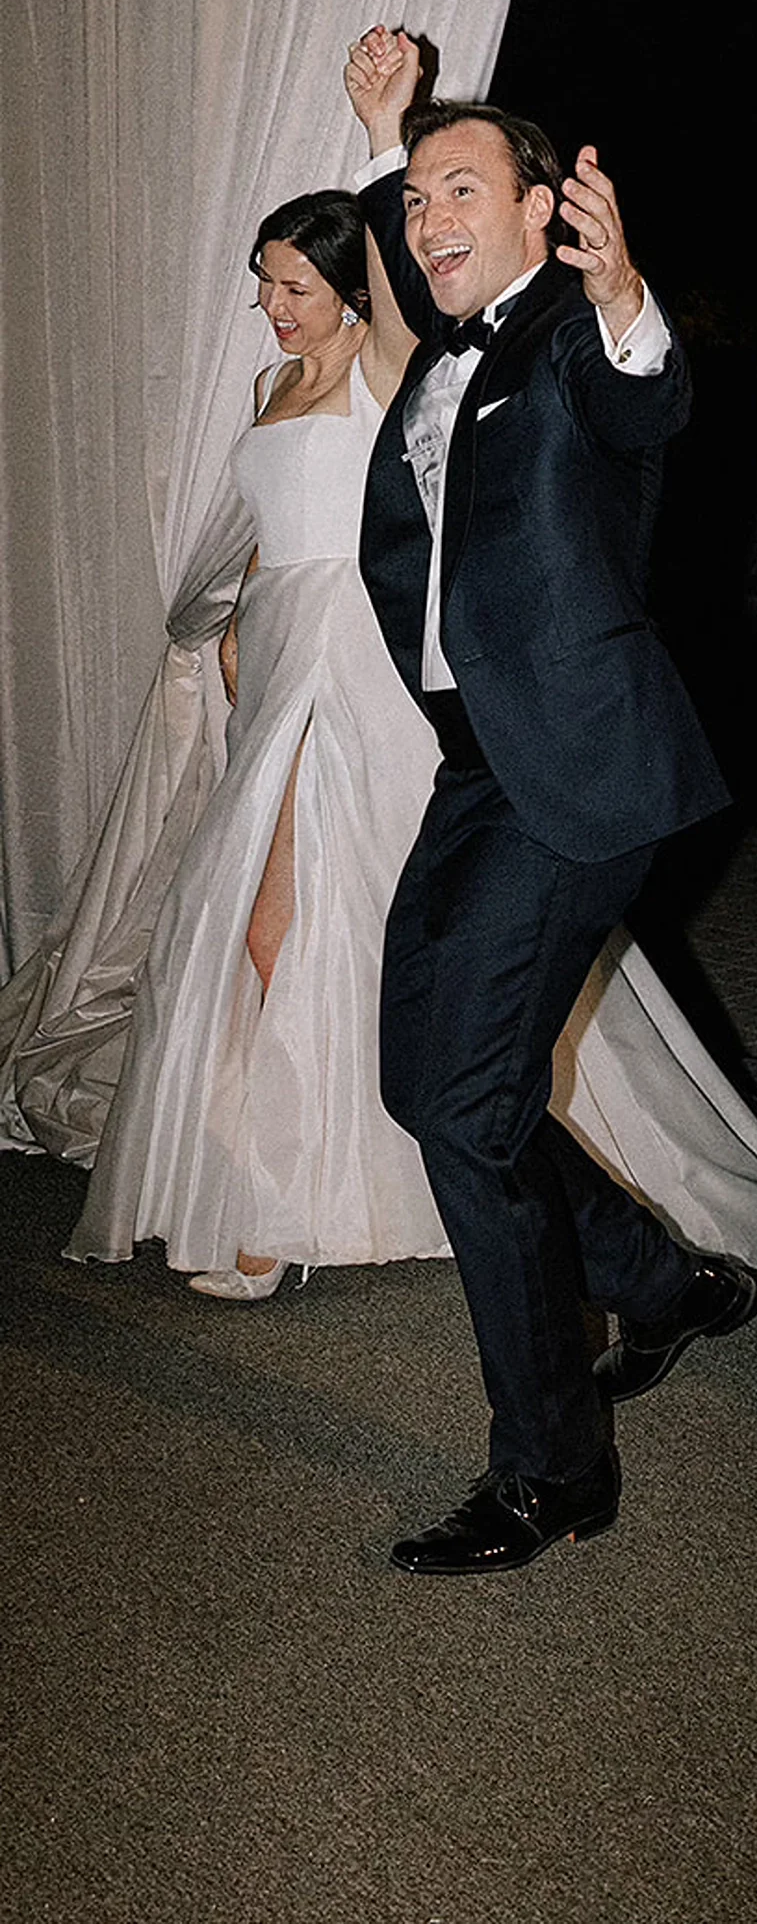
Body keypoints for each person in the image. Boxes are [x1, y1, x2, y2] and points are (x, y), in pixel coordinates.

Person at [345, 23, 757, 1578]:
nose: (429, 215)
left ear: (544, 209)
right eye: (419, 198)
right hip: (480, 770)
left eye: (465, 188)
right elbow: (412, 273)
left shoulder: (575, 342)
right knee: (426, 1081)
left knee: (466, 1105)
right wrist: (395, 138)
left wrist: (623, 291)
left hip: (580, 765)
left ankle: (553, 1470)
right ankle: (664, 1284)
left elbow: (647, 391)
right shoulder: (447, 352)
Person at [71, 190, 447, 1289]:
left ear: (352, 291)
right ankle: (339, 1178)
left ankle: (280, 1220)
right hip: (276, 650)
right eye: (265, 286)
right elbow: (269, 527)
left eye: (296, 286)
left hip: (352, 655)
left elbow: (407, 300)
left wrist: (385, 136)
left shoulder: (386, 367)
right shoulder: (271, 385)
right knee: (272, 918)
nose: (275, 306)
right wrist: (237, 620)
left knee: (282, 928)